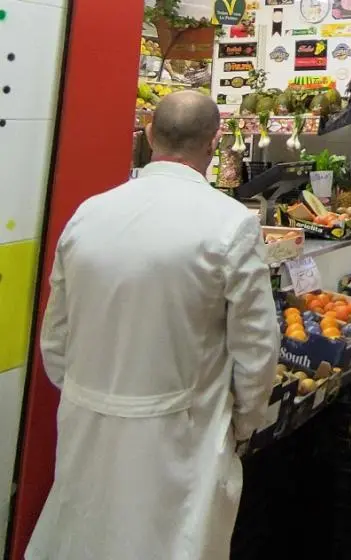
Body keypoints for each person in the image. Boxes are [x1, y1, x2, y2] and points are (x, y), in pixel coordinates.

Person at [27, 91, 280, 560]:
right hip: (182, 439)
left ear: (148, 133)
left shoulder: (88, 214)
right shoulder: (229, 223)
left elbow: (56, 340)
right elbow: (257, 348)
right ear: (214, 142)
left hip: (88, 426)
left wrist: (92, 395)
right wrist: (243, 422)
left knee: (83, 536)